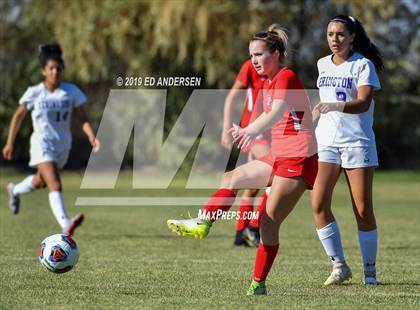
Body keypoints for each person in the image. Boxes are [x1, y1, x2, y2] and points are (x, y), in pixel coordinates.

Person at [168, 27, 318, 295]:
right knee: (232, 178)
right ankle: (203, 223)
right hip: (280, 154)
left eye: (259, 54)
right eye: (251, 55)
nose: (254, 60)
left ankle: (258, 284)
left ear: (277, 54)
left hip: (299, 158)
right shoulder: (269, 82)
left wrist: (249, 130)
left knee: (268, 222)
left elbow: (277, 112)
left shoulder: (285, 76)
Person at [312, 15, 383, 285]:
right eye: (330, 34)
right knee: (318, 203)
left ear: (352, 37)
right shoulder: (321, 64)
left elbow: (364, 102)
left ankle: (370, 272)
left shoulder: (363, 65)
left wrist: (336, 106)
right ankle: (339, 265)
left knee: (362, 209)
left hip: (357, 142)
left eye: (341, 34)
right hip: (327, 141)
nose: (334, 39)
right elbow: (325, 100)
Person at [3, 43, 100, 237]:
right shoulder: (35, 92)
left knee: (41, 181)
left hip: (62, 145)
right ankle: (65, 224)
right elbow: (18, 116)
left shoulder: (70, 91)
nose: (55, 72)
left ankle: (14, 190)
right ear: (43, 71)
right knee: (54, 184)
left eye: (58, 68)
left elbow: (82, 117)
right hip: (41, 143)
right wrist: (10, 142)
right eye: (51, 68)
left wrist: (91, 136)